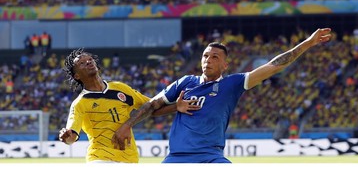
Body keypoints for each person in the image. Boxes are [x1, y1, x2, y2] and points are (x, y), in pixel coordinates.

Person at [111, 28, 332, 163]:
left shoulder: (233, 83)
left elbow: (274, 66)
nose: (208, 59)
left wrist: (308, 43)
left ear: (225, 64)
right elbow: (151, 106)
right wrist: (127, 125)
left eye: (215, 57)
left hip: (211, 158)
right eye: (206, 55)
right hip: (177, 158)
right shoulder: (184, 83)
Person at [58, 48, 198, 163]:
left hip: (129, 159)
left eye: (90, 59)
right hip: (100, 159)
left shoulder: (120, 88)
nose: (88, 62)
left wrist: (176, 107)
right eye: (82, 63)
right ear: (77, 76)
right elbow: (71, 137)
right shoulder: (80, 104)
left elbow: (150, 108)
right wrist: (66, 137)